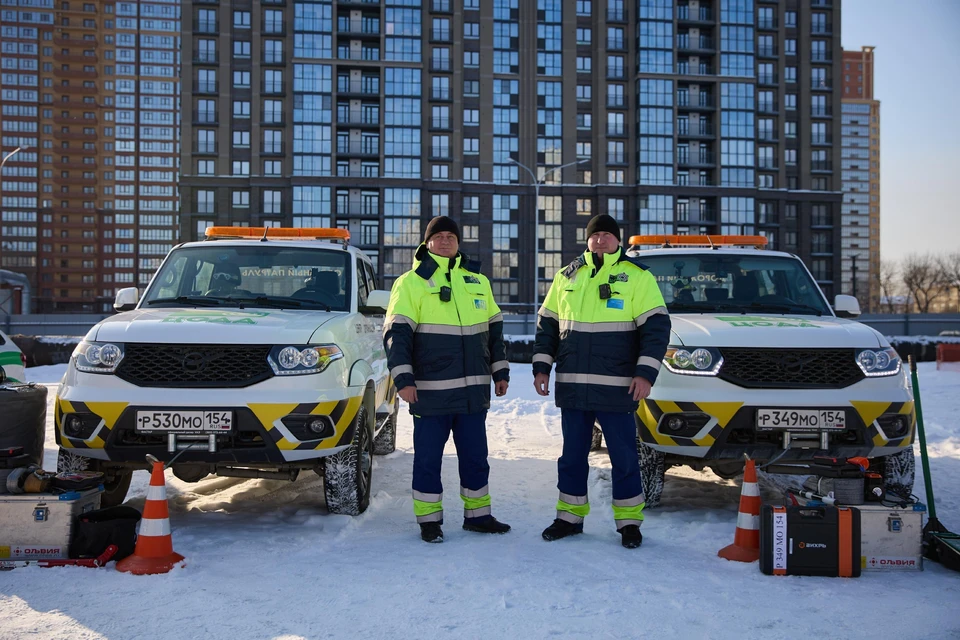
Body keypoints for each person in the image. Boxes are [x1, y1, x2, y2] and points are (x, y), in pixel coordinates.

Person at [533, 214, 671, 549]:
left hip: (618, 386)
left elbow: (656, 329)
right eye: (596, 235)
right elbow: (547, 325)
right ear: (588, 240)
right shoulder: (568, 276)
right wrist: (541, 367)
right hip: (574, 387)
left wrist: (645, 373)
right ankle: (569, 517)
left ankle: (629, 524)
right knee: (571, 457)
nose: (601, 240)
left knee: (624, 457)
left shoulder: (637, 277)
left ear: (617, 240)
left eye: (607, 235)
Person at [383, 216, 511, 543]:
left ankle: (478, 516)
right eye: (437, 236)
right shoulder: (411, 282)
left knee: (475, 458)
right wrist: (403, 379)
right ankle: (429, 521)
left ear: (458, 243)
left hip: (471, 394)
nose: (444, 241)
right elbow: (397, 336)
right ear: (426, 243)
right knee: (428, 460)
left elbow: (494, 332)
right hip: (429, 393)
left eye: (450, 236)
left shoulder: (477, 280)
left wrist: (500, 371)